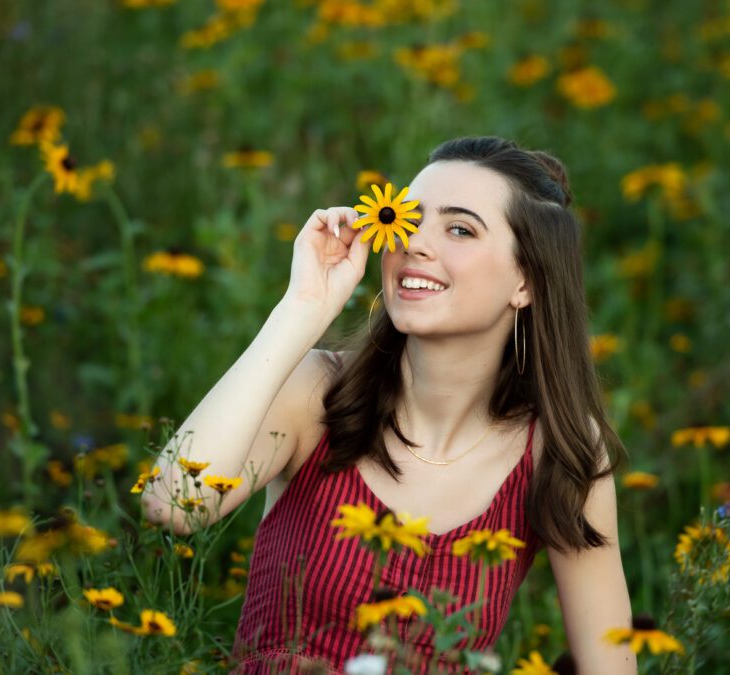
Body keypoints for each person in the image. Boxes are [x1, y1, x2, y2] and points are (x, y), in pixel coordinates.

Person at [141, 136, 637, 674]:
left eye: (461, 229)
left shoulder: (559, 451)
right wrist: (302, 309)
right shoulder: (317, 395)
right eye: (409, 218)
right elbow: (173, 505)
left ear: (527, 280)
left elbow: (611, 664)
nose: (415, 243)